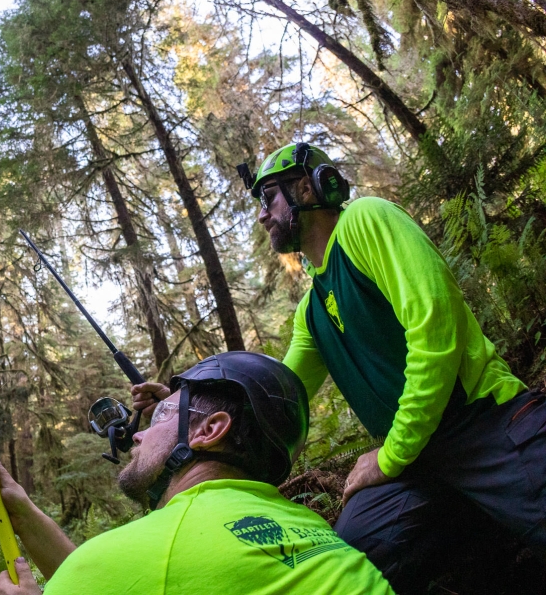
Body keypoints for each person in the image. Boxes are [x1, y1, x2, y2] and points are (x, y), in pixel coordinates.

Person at [138, 142, 546, 593]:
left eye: (268, 198)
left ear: (305, 190)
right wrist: (183, 405)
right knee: (354, 559)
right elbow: (274, 397)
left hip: (487, 422)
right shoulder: (312, 311)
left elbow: (436, 329)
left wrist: (390, 457)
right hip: (417, 467)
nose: (261, 215)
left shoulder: (366, 220)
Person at [0, 352, 394, 594]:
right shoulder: (310, 526)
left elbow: (103, 574)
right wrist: (22, 511)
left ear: (209, 431)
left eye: (161, 416)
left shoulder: (152, 550)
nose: (138, 435)